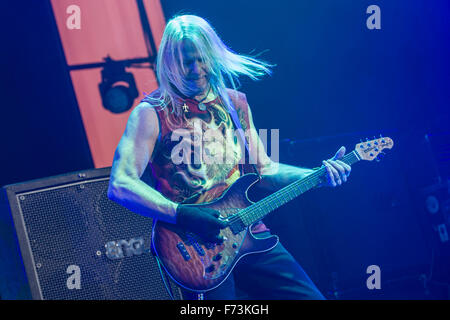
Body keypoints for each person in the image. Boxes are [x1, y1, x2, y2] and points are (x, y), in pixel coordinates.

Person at [107, 14, 351, 300]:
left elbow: (265, 170)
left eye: (202, 59)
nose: (196, 69)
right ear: (170, 64)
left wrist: (317, 175)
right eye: (187, 62)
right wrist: (181, 213)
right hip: (195, 250)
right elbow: (120, 184)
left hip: (249, 232)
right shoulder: (152, 112)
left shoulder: (234, 103)